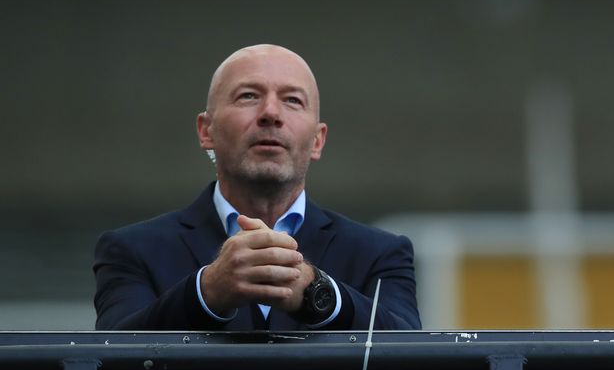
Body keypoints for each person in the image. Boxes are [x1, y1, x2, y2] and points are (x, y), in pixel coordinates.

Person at [94, 44, 420, 331]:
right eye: (248, 96)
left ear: (317, 140)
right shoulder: (132, 250)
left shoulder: (380, 253)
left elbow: (415, 364)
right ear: (206, 130)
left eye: (292, 100)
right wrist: (206, 292)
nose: (270, 114)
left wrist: (316, 291)